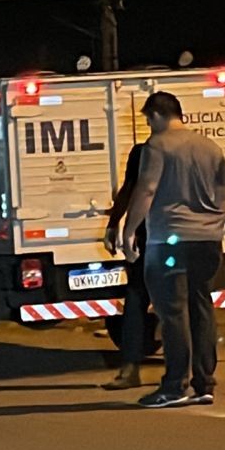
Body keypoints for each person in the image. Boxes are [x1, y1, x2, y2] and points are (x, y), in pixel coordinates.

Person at [121, 91, 225, 409]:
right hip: (208, 240)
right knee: (202, 307)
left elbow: (147, 189)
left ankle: (173, 386)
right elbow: (223, 193)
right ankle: (204, 383)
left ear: (156, 115)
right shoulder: (211, 147)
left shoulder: (158, 145)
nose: (148, 126)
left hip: (170, 239)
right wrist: (213, 227)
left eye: (147, 120)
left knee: (172, 312)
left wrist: (129, 231)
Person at [101, 142, 151, 390]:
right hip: (185, 240)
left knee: (136, 300)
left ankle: (131, 369)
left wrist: (119, 226)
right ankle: (200, 373)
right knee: (187, 305)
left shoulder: (146, 151)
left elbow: (134, 189)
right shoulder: (198, 150)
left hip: (149, 241)